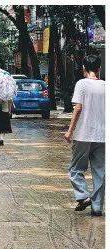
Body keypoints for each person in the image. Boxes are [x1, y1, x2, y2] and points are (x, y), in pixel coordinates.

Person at [64, 54, 105, 216]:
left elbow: (78, 108)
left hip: (83, 135)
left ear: (84, 68)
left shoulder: (82, 84)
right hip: (102, 136)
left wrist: (69, 131)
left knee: (75, 169)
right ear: (99, 69)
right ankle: (97, 208)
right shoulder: (105, 85)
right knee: (100, 171)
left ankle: (83, 196)